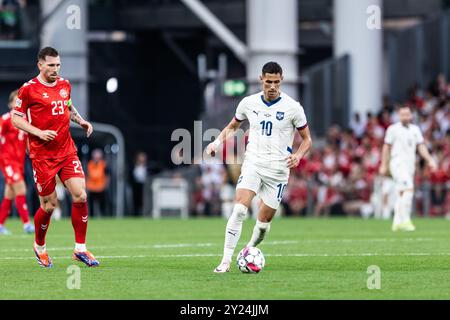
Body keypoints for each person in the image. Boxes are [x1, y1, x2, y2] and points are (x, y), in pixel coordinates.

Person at [206, 61, 312, 273]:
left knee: (263, 223)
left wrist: (298, 155)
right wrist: (216, 143)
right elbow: (233, 126)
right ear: (261, 79)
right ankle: (225, 261)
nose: (272, 86)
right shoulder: (248, 103)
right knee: (239, 209)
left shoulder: (293, 108)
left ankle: (248, 250)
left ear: (281, 80)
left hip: (278, 170)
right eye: (268, 81)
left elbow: (307, 139)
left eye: (276, 82)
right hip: (253, 162)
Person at [11, 47, 99, 268]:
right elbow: (16, 118)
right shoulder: (28, 89)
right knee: (50, 205)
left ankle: (80, 248)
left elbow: (67, 106)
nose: (55, 69)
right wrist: (38, 132)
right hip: (42, 156)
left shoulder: (64, 85)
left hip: (66, 151)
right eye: (51, 65)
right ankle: (39, 246)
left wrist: (81, 121)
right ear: (40, 65)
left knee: (80, 195)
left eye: (58, 64)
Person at [379, 105, 437, 231]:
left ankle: (396, 221)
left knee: (401, 192)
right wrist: (384, 164)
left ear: (411, 116)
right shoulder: (393, 129)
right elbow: (386, 147)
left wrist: (429, 159)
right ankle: (406, 220)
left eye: (407, 114)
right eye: (402, 114)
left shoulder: (415, 130)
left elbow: (421, 147)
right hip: (397, 163)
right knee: (408, 189)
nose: (405, 116)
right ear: (399, 116)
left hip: (410, 164)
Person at [0, 89, 34, 235]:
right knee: (21, 189)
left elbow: (27, 143)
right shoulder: (6, 119)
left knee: (9, 195)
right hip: (8, 161)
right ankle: (26, 224)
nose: (18, 103)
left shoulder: (24, 121)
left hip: (18, 163)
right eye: (15, 101)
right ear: (10, 104)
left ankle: (0, 224)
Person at [87, 148, 109, 217]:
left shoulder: (104, 164)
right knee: (91, 205)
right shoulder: (89, 164)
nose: (96, 158)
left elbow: (107, 176)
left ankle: (103, 216)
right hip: (92, 188)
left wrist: (106, 185)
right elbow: (86, 175)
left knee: (102, 204)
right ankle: (92, 217)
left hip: (101, 187)